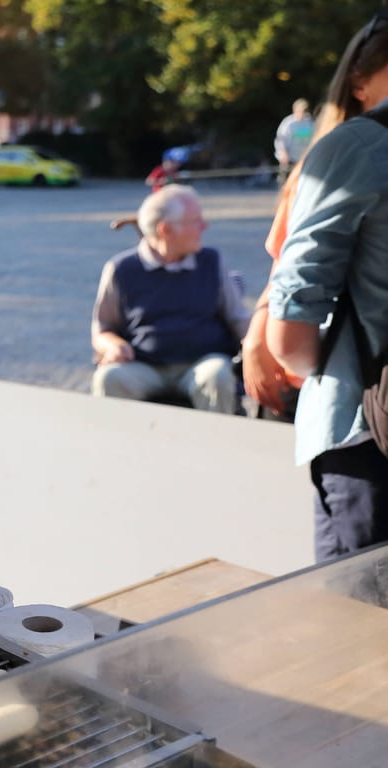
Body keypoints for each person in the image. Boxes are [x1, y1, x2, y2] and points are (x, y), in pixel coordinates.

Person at [267, 12, 388, 563]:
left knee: (358, 636)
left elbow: (289, 329)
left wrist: (328, 366)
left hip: (367, 434)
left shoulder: (359, 147)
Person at [244, 23, 388, 422]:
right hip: (332, 384)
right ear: (359, 84)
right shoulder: (335, 156)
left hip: (349, 389)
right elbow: (285, 266)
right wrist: (259, 334)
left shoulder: (341, 151)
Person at [91, 185, 250, 413]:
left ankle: (216, 445)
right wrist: (113, 345)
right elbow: (103, 328)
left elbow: (238, 317)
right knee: (109, 378)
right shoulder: (121, 269)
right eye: (195, 221)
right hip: (144, 366)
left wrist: (256, 346)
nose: (204, 227)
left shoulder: (211, 261)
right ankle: (121, 447)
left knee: (218, 375)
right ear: (165, 230)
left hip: (202, 363)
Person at [273, 98, 316, 185]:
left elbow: (315, 139)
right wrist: (283, 154)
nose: (303, 113)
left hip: (304, 160)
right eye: (301, 110)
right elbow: (280, 140)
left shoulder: (310, 123)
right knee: (287, 184)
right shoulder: (288, 123)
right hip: (290, 160)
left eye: (304, 110)